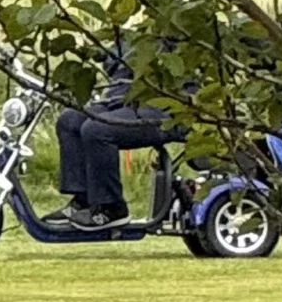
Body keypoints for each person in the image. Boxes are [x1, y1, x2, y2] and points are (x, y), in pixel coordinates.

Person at [48, 42, 186, 231]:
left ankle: (112, 208)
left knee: (97, 129)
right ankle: (85, 201)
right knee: (69, 121)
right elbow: (115, 60)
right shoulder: (135, 34)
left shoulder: (176, 31)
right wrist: (95, 51)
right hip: (121, 101)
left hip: (164, 108)